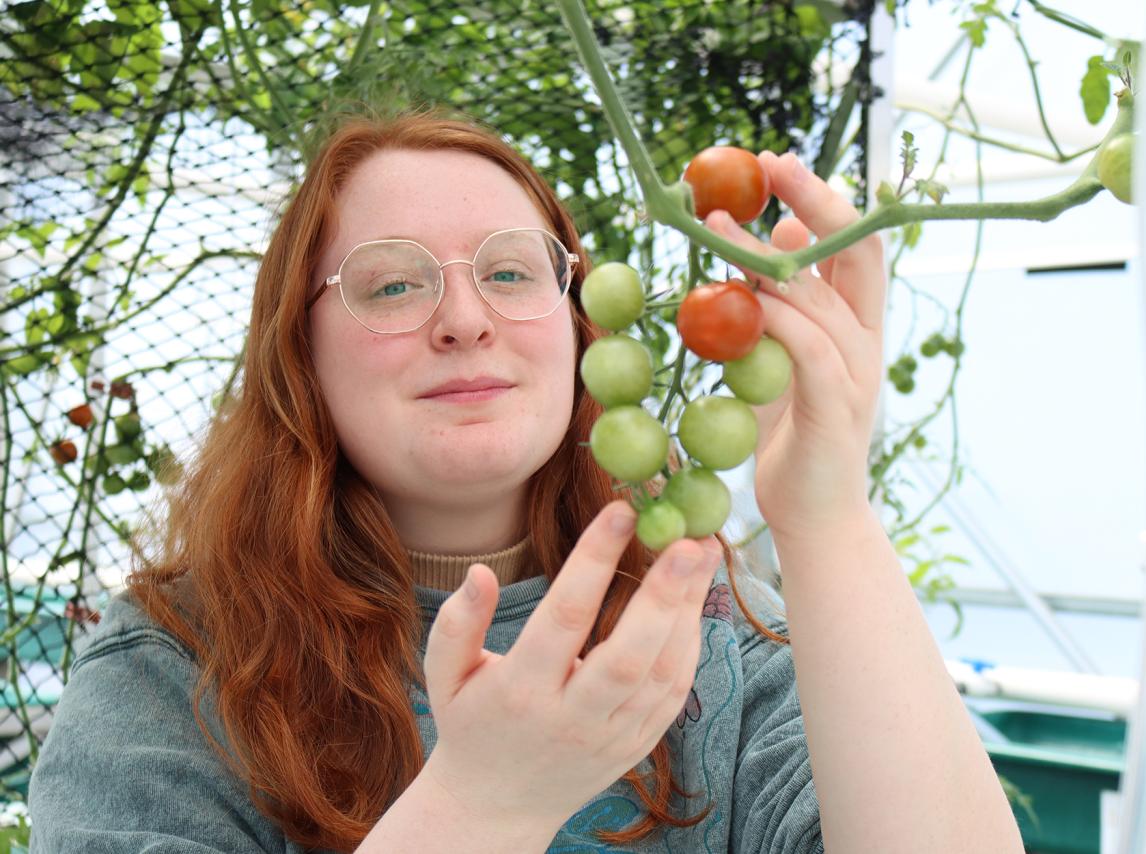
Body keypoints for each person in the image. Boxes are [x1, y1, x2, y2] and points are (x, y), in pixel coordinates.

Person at [27, 107, 1024, 852]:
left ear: (581, 325)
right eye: (393, 282)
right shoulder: (176, 671)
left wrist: (826, 516)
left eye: (510, 272)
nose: (464, 317)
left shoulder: (709, 628)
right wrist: (480, 803)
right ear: (300, 357)